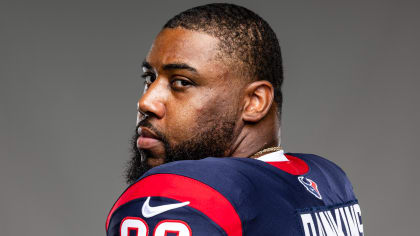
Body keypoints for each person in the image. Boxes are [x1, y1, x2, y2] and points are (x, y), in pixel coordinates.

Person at [106, 3, 363, 236]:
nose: (146, 102)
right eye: (150, 79)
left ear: (254, 102)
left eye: (181, 83)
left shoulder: (185, 193)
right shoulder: (329, 180)